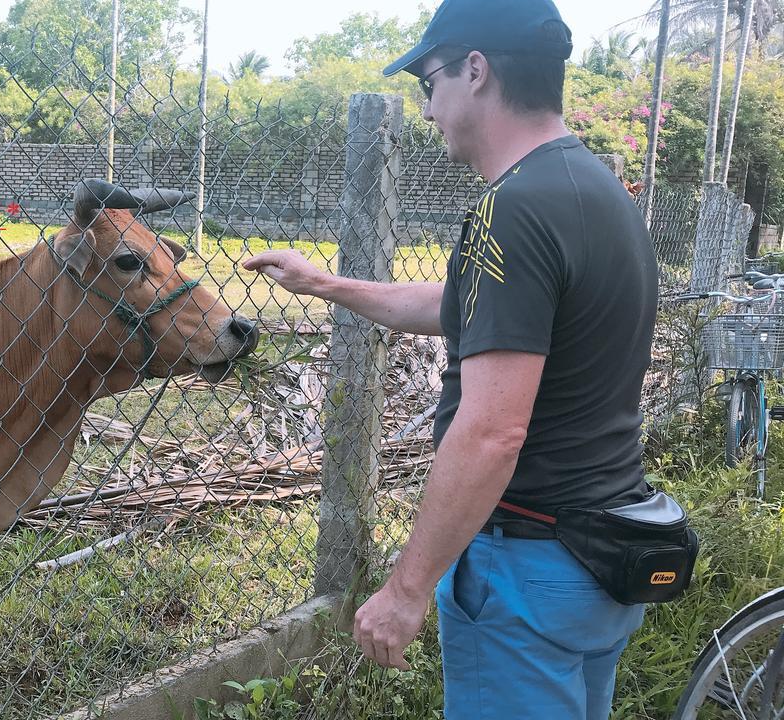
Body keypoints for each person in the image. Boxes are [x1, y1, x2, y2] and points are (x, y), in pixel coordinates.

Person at [243, 0, 658, 717]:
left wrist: (406, 590)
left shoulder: (516, 210)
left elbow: (494, 430)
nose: (427, 109)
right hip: (599, 560)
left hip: (526, 561)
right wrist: (323, 284)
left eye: (428, 82)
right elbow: (474, 306)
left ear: (476, 70)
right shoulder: (598, 193)